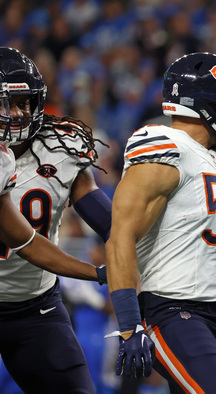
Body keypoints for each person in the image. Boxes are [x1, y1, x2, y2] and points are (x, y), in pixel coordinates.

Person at [106, 53, 216, 393]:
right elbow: (120, 238)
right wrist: (129, 326)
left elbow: (203, 263)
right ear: (210, 103)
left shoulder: (214, 158)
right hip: (172, 312)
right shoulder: (166, 145)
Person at [0, 47, 111, 393]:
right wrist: (98, 274)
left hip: (35, 307)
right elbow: (28, 245)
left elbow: (104, 217)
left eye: (25, 103)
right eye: (7, 103)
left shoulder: (61, 146)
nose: (18, 113)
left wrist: (140, 242)